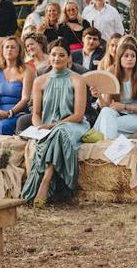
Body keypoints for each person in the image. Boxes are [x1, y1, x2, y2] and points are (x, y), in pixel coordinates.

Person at [20, 41, 90, 206]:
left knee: (59, 132)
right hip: (47, 126)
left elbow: (78, 115)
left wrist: (51, 126)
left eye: (61, 55)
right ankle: (47, 180)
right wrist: (39, 127)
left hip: (73, 125)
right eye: (53, 54)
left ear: (68, 58)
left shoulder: (77, 80)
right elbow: (36, 113)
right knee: (54, 134)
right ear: (48, 57)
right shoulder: (40, 81)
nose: (57, 58)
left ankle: (46, 180)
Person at [93, 39, 137, 141]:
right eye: (126, 56)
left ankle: (106, 146)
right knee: (106, 113)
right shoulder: (113, 77)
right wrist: (98, 96)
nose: (130, 59)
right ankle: (113, 147)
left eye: (133, 56)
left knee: (108, 124)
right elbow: (106, 106)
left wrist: (124, 106)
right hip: (121, 116)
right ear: (119, 59)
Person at [0, 36, 34, 134]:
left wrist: (9, 113)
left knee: (3, 125)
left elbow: (25, 98)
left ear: (19, 50)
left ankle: (6, 149)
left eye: (13, 47)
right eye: (7, 47)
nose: (9, 50)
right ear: (2, 50)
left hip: (18, 112)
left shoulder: (27, 70)